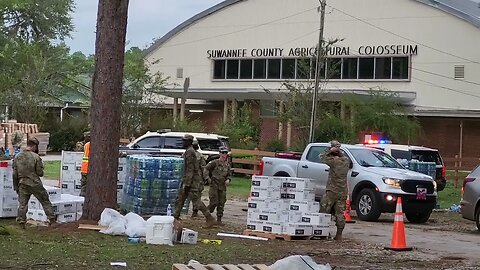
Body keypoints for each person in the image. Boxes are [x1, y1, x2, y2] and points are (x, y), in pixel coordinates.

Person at [173, 134, 215, 227]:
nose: (182, 142)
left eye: (184, 141)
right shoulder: (189, 151)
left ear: (188, 142)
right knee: (180, 198)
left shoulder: (190, 152)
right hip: (189, 179)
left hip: (192, 181)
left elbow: (190, 169)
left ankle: (209, 218)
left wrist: (187, 184)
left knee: (196, 201)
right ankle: (175, 217)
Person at [13, 138, 56, 228]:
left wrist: (16, 186)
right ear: (34, 146)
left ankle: (21, 223)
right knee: (45, 200)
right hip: (35, 183)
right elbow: (40, 173)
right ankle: (52, 220)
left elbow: (14, 174)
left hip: (22, 183)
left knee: (22, 204)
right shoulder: (36, 157)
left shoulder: (17, 157)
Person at [319, 140, 351, 240]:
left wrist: (330, 151)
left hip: (332, 191)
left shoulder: (333, 161)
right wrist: (338, 151)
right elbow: (342, 158)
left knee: (324, 210)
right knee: (340, 213)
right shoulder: (345, 160)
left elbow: (321, 157)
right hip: (342, 192)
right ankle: (339, 235)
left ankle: (324, 232)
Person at [203, 146, 231, 226]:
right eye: (222, 153)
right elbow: (206, 169)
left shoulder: (227, 165)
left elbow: (229, 174)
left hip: (222, 186)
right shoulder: (214, 162)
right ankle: (208, 216)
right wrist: (207, 178)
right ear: (219, 153)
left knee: (221, 203)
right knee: (213, 202)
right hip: (214, 184)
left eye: (225, 153)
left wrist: (228, 179)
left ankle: (219, 220)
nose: (224, 154)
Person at [191, 141, 206, 218]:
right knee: (197, 196)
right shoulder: (200, 155)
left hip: (192, 178)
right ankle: (195, 211)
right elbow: (203, 168)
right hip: (197, 178)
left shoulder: (186, 154)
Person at [80, 132, 90, 197]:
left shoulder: (86, 145)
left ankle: (81, 198)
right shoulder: (91, 144)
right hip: (88, 168)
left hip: (84, 168)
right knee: (86, 186)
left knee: (83, 185)